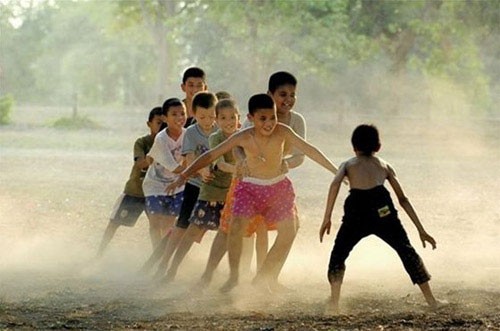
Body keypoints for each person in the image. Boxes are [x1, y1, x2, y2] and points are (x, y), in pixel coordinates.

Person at [167, 93, 340, 293]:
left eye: (273, 117)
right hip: (249, 188)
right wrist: (185, 175)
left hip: (277, 188)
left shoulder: (283, 131)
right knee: (235, 227)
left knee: (289, 231)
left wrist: (336, 172)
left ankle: (263, 276)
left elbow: (310, 150)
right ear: (250, 118)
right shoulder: (244, 136)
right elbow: (211, 155)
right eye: (263, 119)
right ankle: (233, 277)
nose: (269, 124)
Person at [200, 71, 307, 289]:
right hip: (247, 184)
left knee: (291, 227)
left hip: (275, 184)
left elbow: (301, 155)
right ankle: (210, 275)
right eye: (282, 94)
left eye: (292, 95)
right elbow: (239, 145)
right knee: (229, 229)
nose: (288, 100)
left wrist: (285, 163)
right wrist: (242, 162)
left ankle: (267, 277)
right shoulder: (257, 116)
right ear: (270, 94)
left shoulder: (296, 121)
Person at [319, 124, 438, 314]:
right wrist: (421, 230)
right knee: (406, 251)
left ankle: (334, 302)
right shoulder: (384, 165)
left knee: (338, 255)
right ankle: (431, 300)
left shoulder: (348, 164)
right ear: (378, 147)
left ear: (354, 147)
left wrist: (327, 217)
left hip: (356, 210)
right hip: (382, 209)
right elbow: (403, 199)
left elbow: (335, 184)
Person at [162, 99, 240, 283]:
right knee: (192, 231)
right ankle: (172, 269)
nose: (228, 121)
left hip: (231, 194)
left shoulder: (242, 136)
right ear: (217, 121)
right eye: (223, 118)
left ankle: (215, 274)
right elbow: (218, 163)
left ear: (239, 118)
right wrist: (237, 169)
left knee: (230, 234)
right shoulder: (215, 137)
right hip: (210, 193)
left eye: (232, 117)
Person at [153, 91, 218, 280]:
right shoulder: (190, 132)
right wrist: (201, 171)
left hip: (215, 189)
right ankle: (165, 264)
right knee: (182, 225)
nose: (207, 121)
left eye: (212, 116)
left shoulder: (220, 130)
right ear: (193, 114)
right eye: (202, 116)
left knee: (219, 228)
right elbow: (189, 157)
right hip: (195, 184)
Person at [96, 107, 163, 257]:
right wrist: (157, 153)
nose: (161, 127)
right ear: (149, 124)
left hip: (156, 193)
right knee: (114, 223)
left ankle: (158, 257)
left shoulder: (169, 142)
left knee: (156, 227)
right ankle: (100, 253)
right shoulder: (142, 142)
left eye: (164, 124)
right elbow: (140, 164)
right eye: (158, 123)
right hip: (135, 191)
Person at [141, 98, 187, 249]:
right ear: (165, 118)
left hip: (177, 186)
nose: (179, 117)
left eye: (182, 113)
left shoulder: (188, 135)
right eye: (174, 114)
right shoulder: (161, 138)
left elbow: (190, 159)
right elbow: (173, 166)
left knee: (169, 224)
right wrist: (198, 171)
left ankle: (165, 253)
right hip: (155, 185)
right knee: (155, 222)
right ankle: (157, 252)